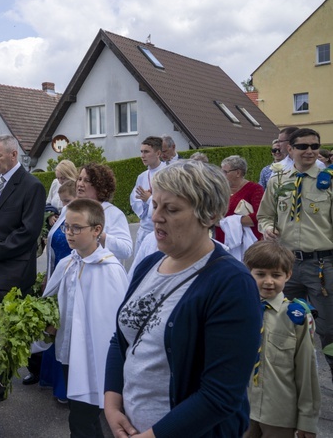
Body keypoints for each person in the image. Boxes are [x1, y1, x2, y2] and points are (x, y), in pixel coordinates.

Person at [104, 161, 262, 438]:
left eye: (172, 209)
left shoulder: (231, 284)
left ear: (210, 214)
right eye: (154, 205)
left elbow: (220, 394)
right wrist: (112, 403)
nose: (156, 217)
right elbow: (122, 339)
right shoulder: (149, 264)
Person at [43, 198, 129, 437]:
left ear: (97, 230)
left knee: (81, 422)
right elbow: (60, 303)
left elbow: (113, 324)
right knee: (84, 421)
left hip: (95, 360)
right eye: (66, 227)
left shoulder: (109, 270)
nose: (69, 233)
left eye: (76, 228)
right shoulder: (68, 263)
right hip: (70, 354)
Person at [257, 127, 333, 380]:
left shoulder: (329, 180)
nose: (310, 151)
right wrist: (268, 228)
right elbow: (264, 215)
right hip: (285, 265)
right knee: (280, 320)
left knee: (328, 329)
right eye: (303, 146)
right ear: (290, 149)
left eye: (315, 146)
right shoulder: (278, 180)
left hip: (322, 264)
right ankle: (284, 380)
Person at [0, 134, 45, 407]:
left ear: (13, 155)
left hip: (16, 270)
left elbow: (28, 232)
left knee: (9, 333)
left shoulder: (32, 186)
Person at [243, 241, 320, 438]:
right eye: (260, 274)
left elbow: (307, 371)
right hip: (241, 409)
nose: (268, 281)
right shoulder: (239, 312)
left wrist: (307, 421)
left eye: (276, 275)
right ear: (248, 273)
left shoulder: (296, 316)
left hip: (279, 414)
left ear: (288, 275)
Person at [36, 179, 76, 396]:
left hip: (69, 280)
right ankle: (51, 378)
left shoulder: (76, 217)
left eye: (68, 201)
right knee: (53, 326)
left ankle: (66, 387)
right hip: (56, 276)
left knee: (62, 329)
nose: (64, 206)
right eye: (62, 202)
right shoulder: (63, 215)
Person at [78, 163, 133, 263]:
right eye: (79, 179)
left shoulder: (113, 214)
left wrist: (99, 236)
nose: (80, 184)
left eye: (86, 180)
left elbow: (126, 250)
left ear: (99, 186)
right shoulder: (74, 210)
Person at [215, 156, 264, 260]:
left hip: (245, 243)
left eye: (225, 172)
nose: (222, 175)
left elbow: (259, 215)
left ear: (238, 173)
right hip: (220, 240)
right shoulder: (220, 189)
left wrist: (228, 222)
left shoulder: (255, 189)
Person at [130, 136, 166, 255]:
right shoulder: (142, 176)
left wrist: (150, 199)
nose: (142, 156)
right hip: (144, 228)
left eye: (146, 152)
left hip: (159, 229)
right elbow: (134, 199)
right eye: (141, 152)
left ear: (158, 153)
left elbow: (168, 200)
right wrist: (144, 207)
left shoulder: (167, 173)